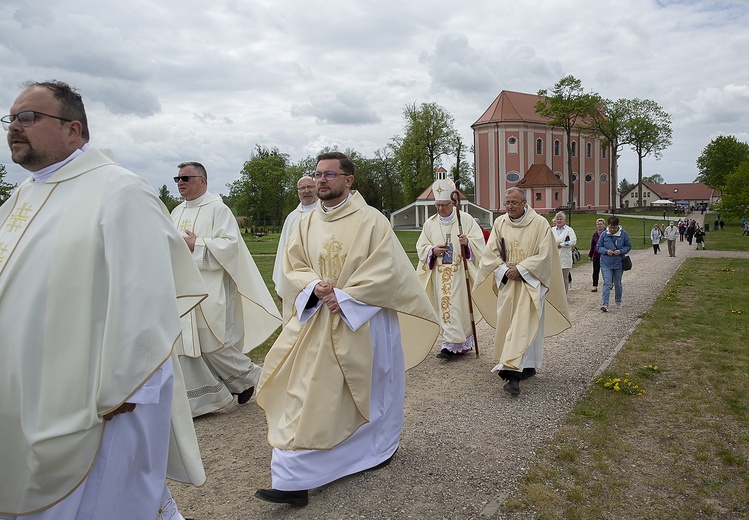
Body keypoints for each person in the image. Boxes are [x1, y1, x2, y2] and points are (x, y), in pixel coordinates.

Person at [0, 80, 205, 519]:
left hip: (98, 394)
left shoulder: (118, 190)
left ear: (74, 130)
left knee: (108, 499)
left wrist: (125, 385)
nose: (14, 127)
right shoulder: (22, 195)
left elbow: (147, 296)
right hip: (27, 383)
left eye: (29, 117)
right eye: (11, 118)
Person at [254, 152, 439, 506]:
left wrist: (348, 298)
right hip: (319, 317)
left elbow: (388, 270)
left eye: (329, 175)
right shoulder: (306, 223)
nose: (321, 180)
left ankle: (379, 448)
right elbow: (295, 264)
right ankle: (294, 476)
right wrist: (313, 287)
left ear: (348, 180)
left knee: (369, 388)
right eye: (317, 174)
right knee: (307, 393)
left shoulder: (372, 221)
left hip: (363, 320)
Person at [171, 161, 282, 417]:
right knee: (187, 343)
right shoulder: (175, 212)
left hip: (211, 287)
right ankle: (205, 398)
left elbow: (230, 246)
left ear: (202, 180)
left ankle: (252, 377)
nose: (180, 183)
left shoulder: (218, 209)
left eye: (186, 178)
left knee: (213, 342)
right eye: (177, 179)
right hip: (182, 288)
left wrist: (197, 244)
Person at [473, 187, 571, 396]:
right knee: (509, 323)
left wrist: (522, 269)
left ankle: (512, 373)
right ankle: (527, 366)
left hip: (531, 283)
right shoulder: (500, 223)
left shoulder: (540, 224)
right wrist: (504, 270)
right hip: (508, 281)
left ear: (524, 203)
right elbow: (491, 253)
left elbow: (545, 255)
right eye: (507, 202)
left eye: (514, 202)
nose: (510, 206)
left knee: (523, 324)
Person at [416, 179, 485, 359]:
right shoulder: (430, 224)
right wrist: (432, 251)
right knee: (444, 305)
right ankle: (449, 343)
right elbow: (421, 246)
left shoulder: (466, 219)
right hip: (439, 273)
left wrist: (467, 242)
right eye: (437, 205)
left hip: (460, 272)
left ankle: (458, 343)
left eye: (444, 205)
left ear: (453, 203)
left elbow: (480, 244)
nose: (440, 209)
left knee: (457, 306)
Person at [272, 175, 318, 303]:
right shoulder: (292, 218)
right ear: (298, 191)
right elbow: (283, 250)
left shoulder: (326, 213)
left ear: (317, 188)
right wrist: (281, 283)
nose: (306, 191)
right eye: (302, 188)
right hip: (295, 276)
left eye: (310, 187)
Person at [596, 216, 632, 312]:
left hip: (618, 263)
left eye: (614, 228)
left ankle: (618, 300)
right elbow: (599, 247)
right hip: (605, 262)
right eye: (611, 228)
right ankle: (605, 304)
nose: (612, 230)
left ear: (617, 227)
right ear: (608, 226)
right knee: (607, 282)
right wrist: (606, 251)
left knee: (618, 283)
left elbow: (628, 246)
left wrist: (620, 251)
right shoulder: (604, 234)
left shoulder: (623, 234)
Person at [551, 211, 577, 293]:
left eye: (561, 219)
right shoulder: (552, 230)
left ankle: (564, 294)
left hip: (565, 256)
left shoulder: (569, 230)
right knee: (555, 277)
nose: (559, 220)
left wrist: (562, 244)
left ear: (564, 220)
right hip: (554, 256)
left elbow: (573, 241)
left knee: (564, 277)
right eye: (557, 219)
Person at [588, 218, 606, 291]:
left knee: (606, 270)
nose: (599, 225)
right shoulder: (595, 234)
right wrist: (590, 254)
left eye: (601, 224)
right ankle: (595, 285)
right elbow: (593, 245)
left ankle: (609, 283)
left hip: (605, 255)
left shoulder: (606, 233)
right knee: (595, 271)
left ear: (604, 225)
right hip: (596, 255)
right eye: (598, 224)